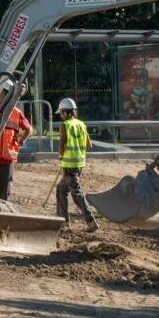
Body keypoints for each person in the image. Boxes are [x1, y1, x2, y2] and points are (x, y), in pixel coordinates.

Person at [54, 97, 99, 231]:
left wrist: (62, 157)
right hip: (79, 165)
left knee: (77, 194)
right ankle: (64, 221)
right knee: (61, 190)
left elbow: (61, 145)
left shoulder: (65, 125)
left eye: (61, 113)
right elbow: (89, 145)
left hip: (69, 166)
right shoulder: (82, 124)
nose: (61, 116)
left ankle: (90, 220)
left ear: (67, 112)